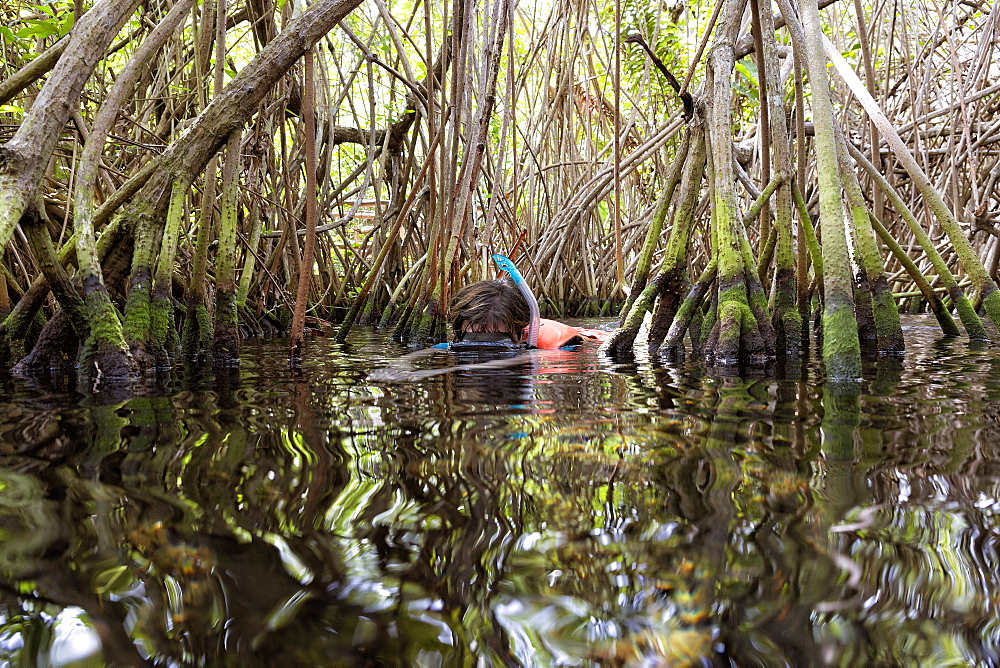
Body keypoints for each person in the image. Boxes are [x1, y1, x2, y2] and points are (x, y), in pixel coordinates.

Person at [448, 279, 609, 349]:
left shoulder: (557, 347)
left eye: (497, 344)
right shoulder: (458, 341)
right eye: (472, 341)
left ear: (524, 335)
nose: (481, 356)